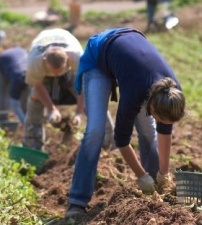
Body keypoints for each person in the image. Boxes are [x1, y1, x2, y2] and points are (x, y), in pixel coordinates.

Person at [65, 27, 185, 219]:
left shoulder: (172, 92)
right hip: (100, 56)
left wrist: (164, 173)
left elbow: (165, 131)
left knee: (148, 129)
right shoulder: (134, 94)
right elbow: (121, 140)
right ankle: (77, 201)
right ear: (151, 106)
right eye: (157, 116)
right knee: (95, 131)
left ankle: (156, 188)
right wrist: (140, 176)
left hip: (129, 55)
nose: (159, 120)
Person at [22, 28, 115, 151]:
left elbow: (84, 85)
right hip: (44, 75)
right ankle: (33, 146)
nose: (56, 75)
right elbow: (38, 85)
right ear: (44, 60)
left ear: (67, 57)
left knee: (93, 98)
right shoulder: (35, 62)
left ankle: (110, 142)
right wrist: (51, 109)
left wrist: (78, 112)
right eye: (53, 72)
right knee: (34, 100)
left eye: (58, 71)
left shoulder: (78, 57)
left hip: (71, 72)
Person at [0, 46, 29, 124]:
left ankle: (27, 119)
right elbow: (14, 104)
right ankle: (3, 118)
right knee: (4, 93)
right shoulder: (18, 77)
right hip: (7, 68)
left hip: (19, 71)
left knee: (25, 98)